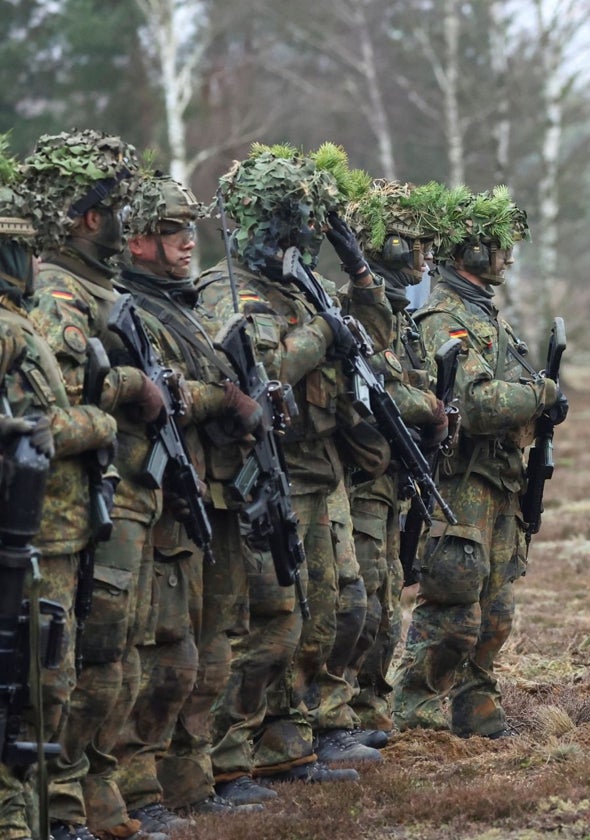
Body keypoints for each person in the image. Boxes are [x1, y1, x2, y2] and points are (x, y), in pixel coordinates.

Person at [194, 143, 384, 791]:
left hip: (319, 466)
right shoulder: (230, 292)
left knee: (332, 609)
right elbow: (261, 373)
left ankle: (290, 736)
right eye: (292, 221)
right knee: (271, 618)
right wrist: (320, 336)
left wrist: (358, 273)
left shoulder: (302, 284)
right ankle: (230, 750)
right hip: (269, 469)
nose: (303, 236)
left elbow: (374, 338)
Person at [23, 130, 172, 840]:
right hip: (64, 508)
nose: (126, 220)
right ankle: (58, 810)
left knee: (113, 658)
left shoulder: (100, 287)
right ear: (89, 217)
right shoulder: (58, 289)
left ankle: (95, 803)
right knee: (71, 666)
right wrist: (131, 388)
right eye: (116, 207)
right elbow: (51, 392)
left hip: (108, 502)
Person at [111, 173, 267, 831]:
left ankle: (192, 779)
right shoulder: (128, 308)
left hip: (215, 493)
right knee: (161, 653)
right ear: (139, 241)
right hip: (160, 497)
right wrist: (223, 399)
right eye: (173, 232)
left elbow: (210, 380)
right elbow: (167, 392)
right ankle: (139, 789)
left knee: (214, 648)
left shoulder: (186, 306)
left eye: (189, 230)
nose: (186, 243)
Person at [391, 186, 567, 738]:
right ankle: (412, 712)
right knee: (452, 610)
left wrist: (543, 405)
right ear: (467, 250)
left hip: (499, 484)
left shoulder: (488, 317)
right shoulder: (445, 317)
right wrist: (541, 395)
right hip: (459, 484)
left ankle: (477, 710)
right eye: (496, 245)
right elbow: (481, 403)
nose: (506, 256)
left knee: (495, 615)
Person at [0, 137, 118, 840]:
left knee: (49, 683)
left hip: (52, 532)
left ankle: (41, 819)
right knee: (30, 688)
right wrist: (95, 419)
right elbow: (30, 422)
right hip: (26, 539)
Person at [339, 180, 451, 737]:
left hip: (389, 482)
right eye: (414, 239)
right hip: (359, 479)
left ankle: (366, 713)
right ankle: (337, 717)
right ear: (380, 244)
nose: (426, 251)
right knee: (356, 604)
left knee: (384, 602)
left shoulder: (401, 316)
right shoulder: (354, 308)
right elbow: (372, 385)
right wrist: (425, 405)